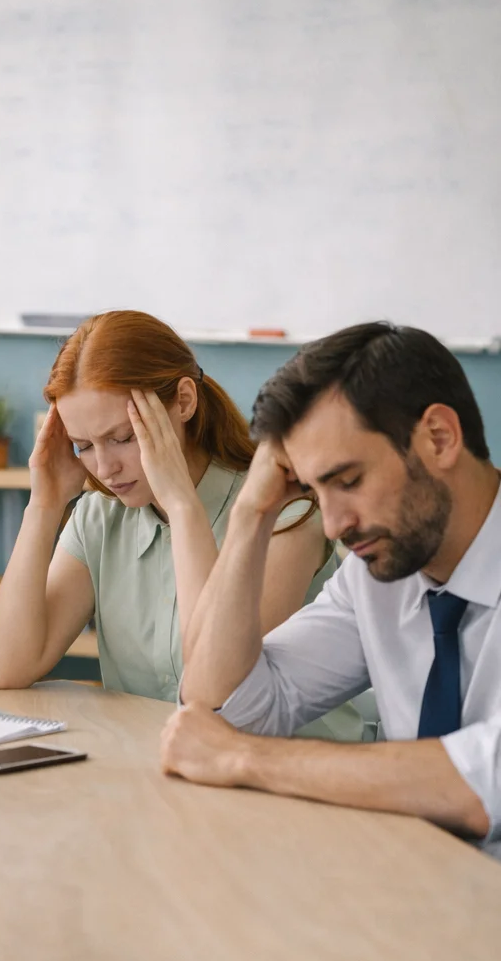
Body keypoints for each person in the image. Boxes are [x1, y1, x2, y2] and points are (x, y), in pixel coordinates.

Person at [164, 321, 501, 855]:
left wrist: (243, 759)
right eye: (313, 488)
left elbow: (483, 782)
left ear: (439, 438)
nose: (334, 524)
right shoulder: (376, 573)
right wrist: (252, 512)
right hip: (416, 892)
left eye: (348, 481)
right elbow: (225, 707)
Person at [0, 310, 353, 730]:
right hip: (164, 774)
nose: (104, 468)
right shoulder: (100, 516)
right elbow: (8, 668)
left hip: (286, 779)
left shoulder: (283, 514)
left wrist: (181, 504)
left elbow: (224, 696)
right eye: (83, 445)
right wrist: (43, 507)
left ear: (183, 401)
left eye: (122, 438)